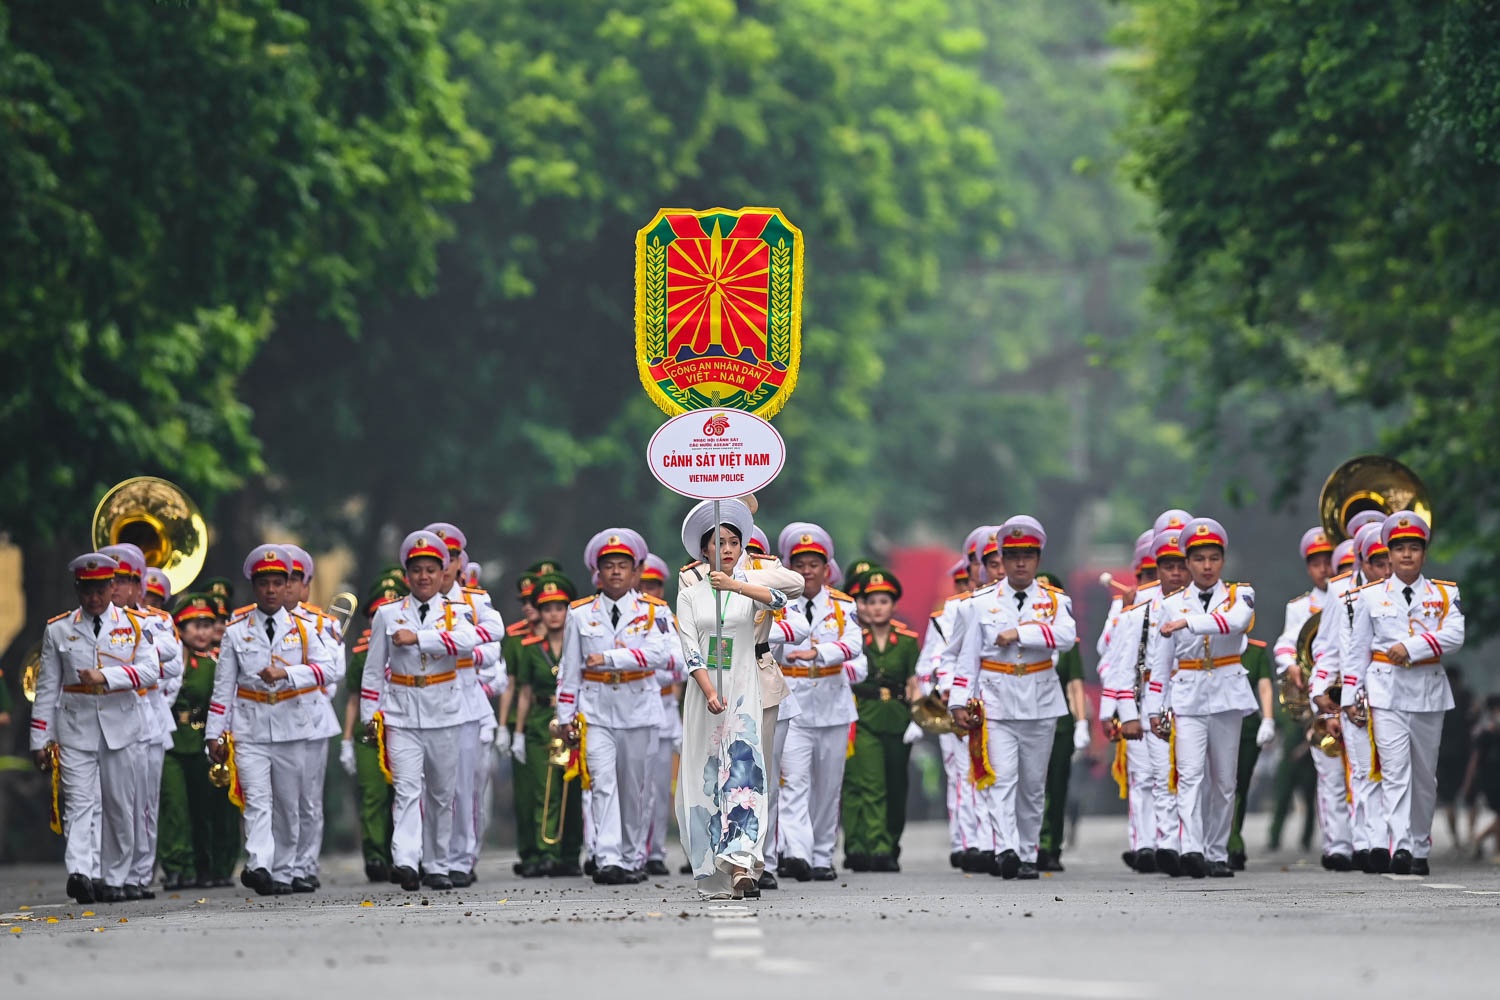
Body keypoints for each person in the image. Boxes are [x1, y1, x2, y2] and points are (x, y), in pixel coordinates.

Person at [676, 499, 803, 899]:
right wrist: (710, 691)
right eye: (719, 543)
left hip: (748, 684)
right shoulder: (690, 589)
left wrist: (737, 583)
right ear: (704, 550)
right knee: (708, 774)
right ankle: (713, 862)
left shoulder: (752, 581)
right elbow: (690, 648)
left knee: (746, 774)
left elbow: (784, 596)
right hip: (707, 691)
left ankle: (743, 865)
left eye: (734, 542)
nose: (728, 549)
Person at [1143, 518, 1275, 878]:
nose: (1206, 566)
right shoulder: (1171, 604)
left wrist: (1189, 623)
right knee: (1189, 775)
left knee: (1224, 780)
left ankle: (1217, 852)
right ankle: (1192, 849)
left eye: (1214, 558)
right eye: (1199, 559)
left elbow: (1236, 623)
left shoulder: (1239, 595)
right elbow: (1161, 664)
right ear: (1187, 562)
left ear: (1222, 561)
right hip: (1187, 696)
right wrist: (1155, 709)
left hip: (1227, 694)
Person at [948, 515, 1076, 881]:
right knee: (1001, 779)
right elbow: (966, 656)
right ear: (1002, 559)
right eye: (1013, 555)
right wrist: (958, 701)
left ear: (1038, 559)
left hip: (1040, 701)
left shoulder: (1055, 602)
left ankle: (1028, 851)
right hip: (996, 702)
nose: (1021, 563)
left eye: (1028, 556)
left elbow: (1066, 637)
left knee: (1033, 786)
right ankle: (1006, 849)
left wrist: (1020, 633)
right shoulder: (978, 603)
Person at [207, 545, 339, 896]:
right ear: (254, 586)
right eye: (264, 583)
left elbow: (328, 669)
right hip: (249, 726)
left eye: (277, 583)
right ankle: (259, 864)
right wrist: (214, 733)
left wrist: (288, 673)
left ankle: (284, 869)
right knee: (256, 799)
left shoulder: (304, 628)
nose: (270, 590)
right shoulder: (236, 630)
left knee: (288, 804)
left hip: (292, 725)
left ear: (286, 586)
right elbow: (223, 688)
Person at [30, 553, 161, 905]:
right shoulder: (59, 629)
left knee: (120, 805)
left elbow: (151, 671)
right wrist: (40, 737)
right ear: (77, 589)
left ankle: (115, 877)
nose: (94, 598)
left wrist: (107, 676)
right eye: (87, 590)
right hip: (76, 726)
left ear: (112, 586)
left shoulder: (135, 624)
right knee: (79, 802)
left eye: (100, 590)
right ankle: (80, 872)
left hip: (122, 725)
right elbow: (47, 687)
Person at [1342, 511, 1464, 876]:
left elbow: (1455, 636)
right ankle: (1402, 846)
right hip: (1386, 690)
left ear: (1424, 553)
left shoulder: (1445, 593)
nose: (1407, 555)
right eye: (1399, 549)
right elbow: (1357, 651)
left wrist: (1411, 647)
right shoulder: (1369, 596)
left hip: (1427, 691)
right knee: (1394, 771)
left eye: (1414, 548)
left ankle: (1421, 844)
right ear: (1389, 554)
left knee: (1425, 776)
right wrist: (1350, 697)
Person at [553, 529, 675, 885]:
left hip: (639, 709)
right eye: (609, 566)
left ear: (636, 571)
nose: (616, 571)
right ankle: (608, 857)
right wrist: (564, 716)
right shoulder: (579, 613)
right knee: (601, 783)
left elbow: (661, 654)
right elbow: (570, 668)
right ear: (598, 572)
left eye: (623, 565)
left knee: (635, 789)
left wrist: (610, 658)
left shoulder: (654, 610)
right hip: (596, 710)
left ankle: (634, 856)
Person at [775, 522, 866, 882]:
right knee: (794, 782)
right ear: (789, 568)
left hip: (833, 704)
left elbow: (854, 645)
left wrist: (819, 652)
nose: (807, 571)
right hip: (792, 704)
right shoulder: (778, 604)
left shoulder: (843, 605)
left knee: (828, 789)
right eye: (799, 564)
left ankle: (822, 855)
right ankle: (796, 851)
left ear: (827, 568)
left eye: (814, 564)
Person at [1098, 522, 1187, 875]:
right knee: (1145, 776)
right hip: (1144, 697)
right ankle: (1147, 845)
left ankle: (1188, 845)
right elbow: (1109, 653)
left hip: (1189, 694)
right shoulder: (1134, 603)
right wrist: (1116, 709)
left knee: (1190, 776)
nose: (1167, 576)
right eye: (1151, 572)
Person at [100, 542, 182, 900]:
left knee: (143, 803)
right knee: (108, 800)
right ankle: (105, 871)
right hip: (102, 717)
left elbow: (173, 662)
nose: (115, 587)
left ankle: (138, 873)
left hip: (148, 718)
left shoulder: (156, 620)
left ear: (138, 586)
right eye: (110, 580)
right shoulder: (90, 621)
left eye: (123, 580)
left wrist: (128, 651)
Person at [426, 523, 506, 887]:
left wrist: (449, 649)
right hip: (422, 705)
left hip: (465, 703)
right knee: (427, 788)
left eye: (452, 556)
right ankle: (430, 857)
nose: (445, 564)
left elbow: (491, 651)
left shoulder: (475, 601)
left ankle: (461, 857)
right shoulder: (409, 605)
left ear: (460, 562)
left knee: (463, 788)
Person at [1312, 520, 1391, 871]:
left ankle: (1398, 842)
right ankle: (1366, 843)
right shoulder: (1340, 590)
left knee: (1396, 771)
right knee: (1361, 771)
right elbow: (1327, 647)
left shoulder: (1405, 589)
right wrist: (1320, 693)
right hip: (1353, 694)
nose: (1385, 568)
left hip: (1395, 691)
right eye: (1377, 561)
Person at [1271, 526, 1349, 870]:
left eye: (1329, 561)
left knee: (1361, 771)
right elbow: (1286, 643)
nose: (1324, 569)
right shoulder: (1301, 606)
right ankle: (1336, 845)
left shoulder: (1355, 595)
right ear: (1308, 567)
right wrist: (1290, 665)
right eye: (1316, 563)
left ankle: (1364, 840)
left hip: (1353, 690)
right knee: (1329, 771)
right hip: (1320, 698)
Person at [923, 526, 997, 872]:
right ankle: (969, 843)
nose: (994, 569)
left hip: (1001, 701)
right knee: (963, 775)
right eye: (984, 562)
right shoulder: (954, 610)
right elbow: (937, 660)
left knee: (999, 773)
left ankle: (997, 842)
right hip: (960, 703)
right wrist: (950, 693)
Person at [157, 593, 240, 889]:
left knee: (205, 809)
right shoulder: (168, 658)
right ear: (180, 628)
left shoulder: (216, 662)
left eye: (207, 625)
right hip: (171, 741)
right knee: (175, 806)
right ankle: (176, 866)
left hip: (203, 742)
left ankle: (205, 866)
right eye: (195, 626)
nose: (202, 632)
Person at [844, 569, 921, 872]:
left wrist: (917, 717)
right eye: (871, 601)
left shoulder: (907, 641)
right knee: (872, 784)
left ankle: (892, 842)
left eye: (884, 601)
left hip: (899, 720)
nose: (877, 608)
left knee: (897, 784)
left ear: (893, 605)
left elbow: (914, 682)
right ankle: (877, 846)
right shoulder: (856, 640)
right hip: (866, 718)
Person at [512, 574, 585, 876]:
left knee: (574, 790)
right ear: (539, 613)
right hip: (541, 721)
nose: (554, 614)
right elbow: (524, 693)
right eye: (547, 608)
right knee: (545, 790)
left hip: (574, 722)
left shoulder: (580, 642)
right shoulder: (531, 648)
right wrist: (517, 733)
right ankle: (546, 852)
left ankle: (570, 853)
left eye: (560, 607)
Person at [281, 544, 343, 892]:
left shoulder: (324, 623)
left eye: (293, 580)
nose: (285, 587)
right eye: (280, 580)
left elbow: (334, 673)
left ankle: (304, 864)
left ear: (305, 586)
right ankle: (278, 863)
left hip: (311, 718)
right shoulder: (249, 624)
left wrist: (295, 676)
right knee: (275, 798)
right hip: (268, 718)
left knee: (307, 799)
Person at [339, 567, 407, 882]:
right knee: (374, 795)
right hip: (370, 734)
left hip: (403, 728)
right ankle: (376, 856)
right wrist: (346, 740)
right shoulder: (361, 654)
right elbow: (354, 700)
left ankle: (402, 855)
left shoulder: (413, 646)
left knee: (402, 795)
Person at [1036, 572, 1089, 872]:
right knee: (1027, 785)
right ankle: (1024, 844)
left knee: (1056, 786)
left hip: (1059, 724)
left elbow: (1075, 684)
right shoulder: (1017, 634)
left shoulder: (1068, 641)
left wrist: (1081, 723)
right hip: (1026, 718)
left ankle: (1050, 845)